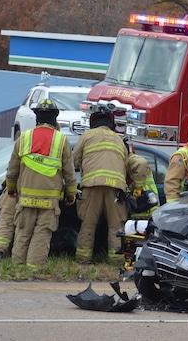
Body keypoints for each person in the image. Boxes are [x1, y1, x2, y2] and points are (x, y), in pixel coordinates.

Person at [6, 99, 77, 268]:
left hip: (25, 200)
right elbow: (69, 173)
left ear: (37, 118)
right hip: (49, 201)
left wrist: (11, 189)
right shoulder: (61, 140)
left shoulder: (24, 137)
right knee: (41, 234)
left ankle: (17, 268)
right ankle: (34, 269)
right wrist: (70, 195)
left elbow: (12, 169)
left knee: (23, 232)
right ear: (55, 119)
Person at [72, 106, 128, 263]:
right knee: (116, 226)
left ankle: (83, 260)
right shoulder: (118, 139)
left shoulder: (86, 136)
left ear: (93, 122)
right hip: (116, 188)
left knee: (88, 224)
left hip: (92, 185)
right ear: (111, 124)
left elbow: (74, 161)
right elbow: (126, 163)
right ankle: (116, 261)